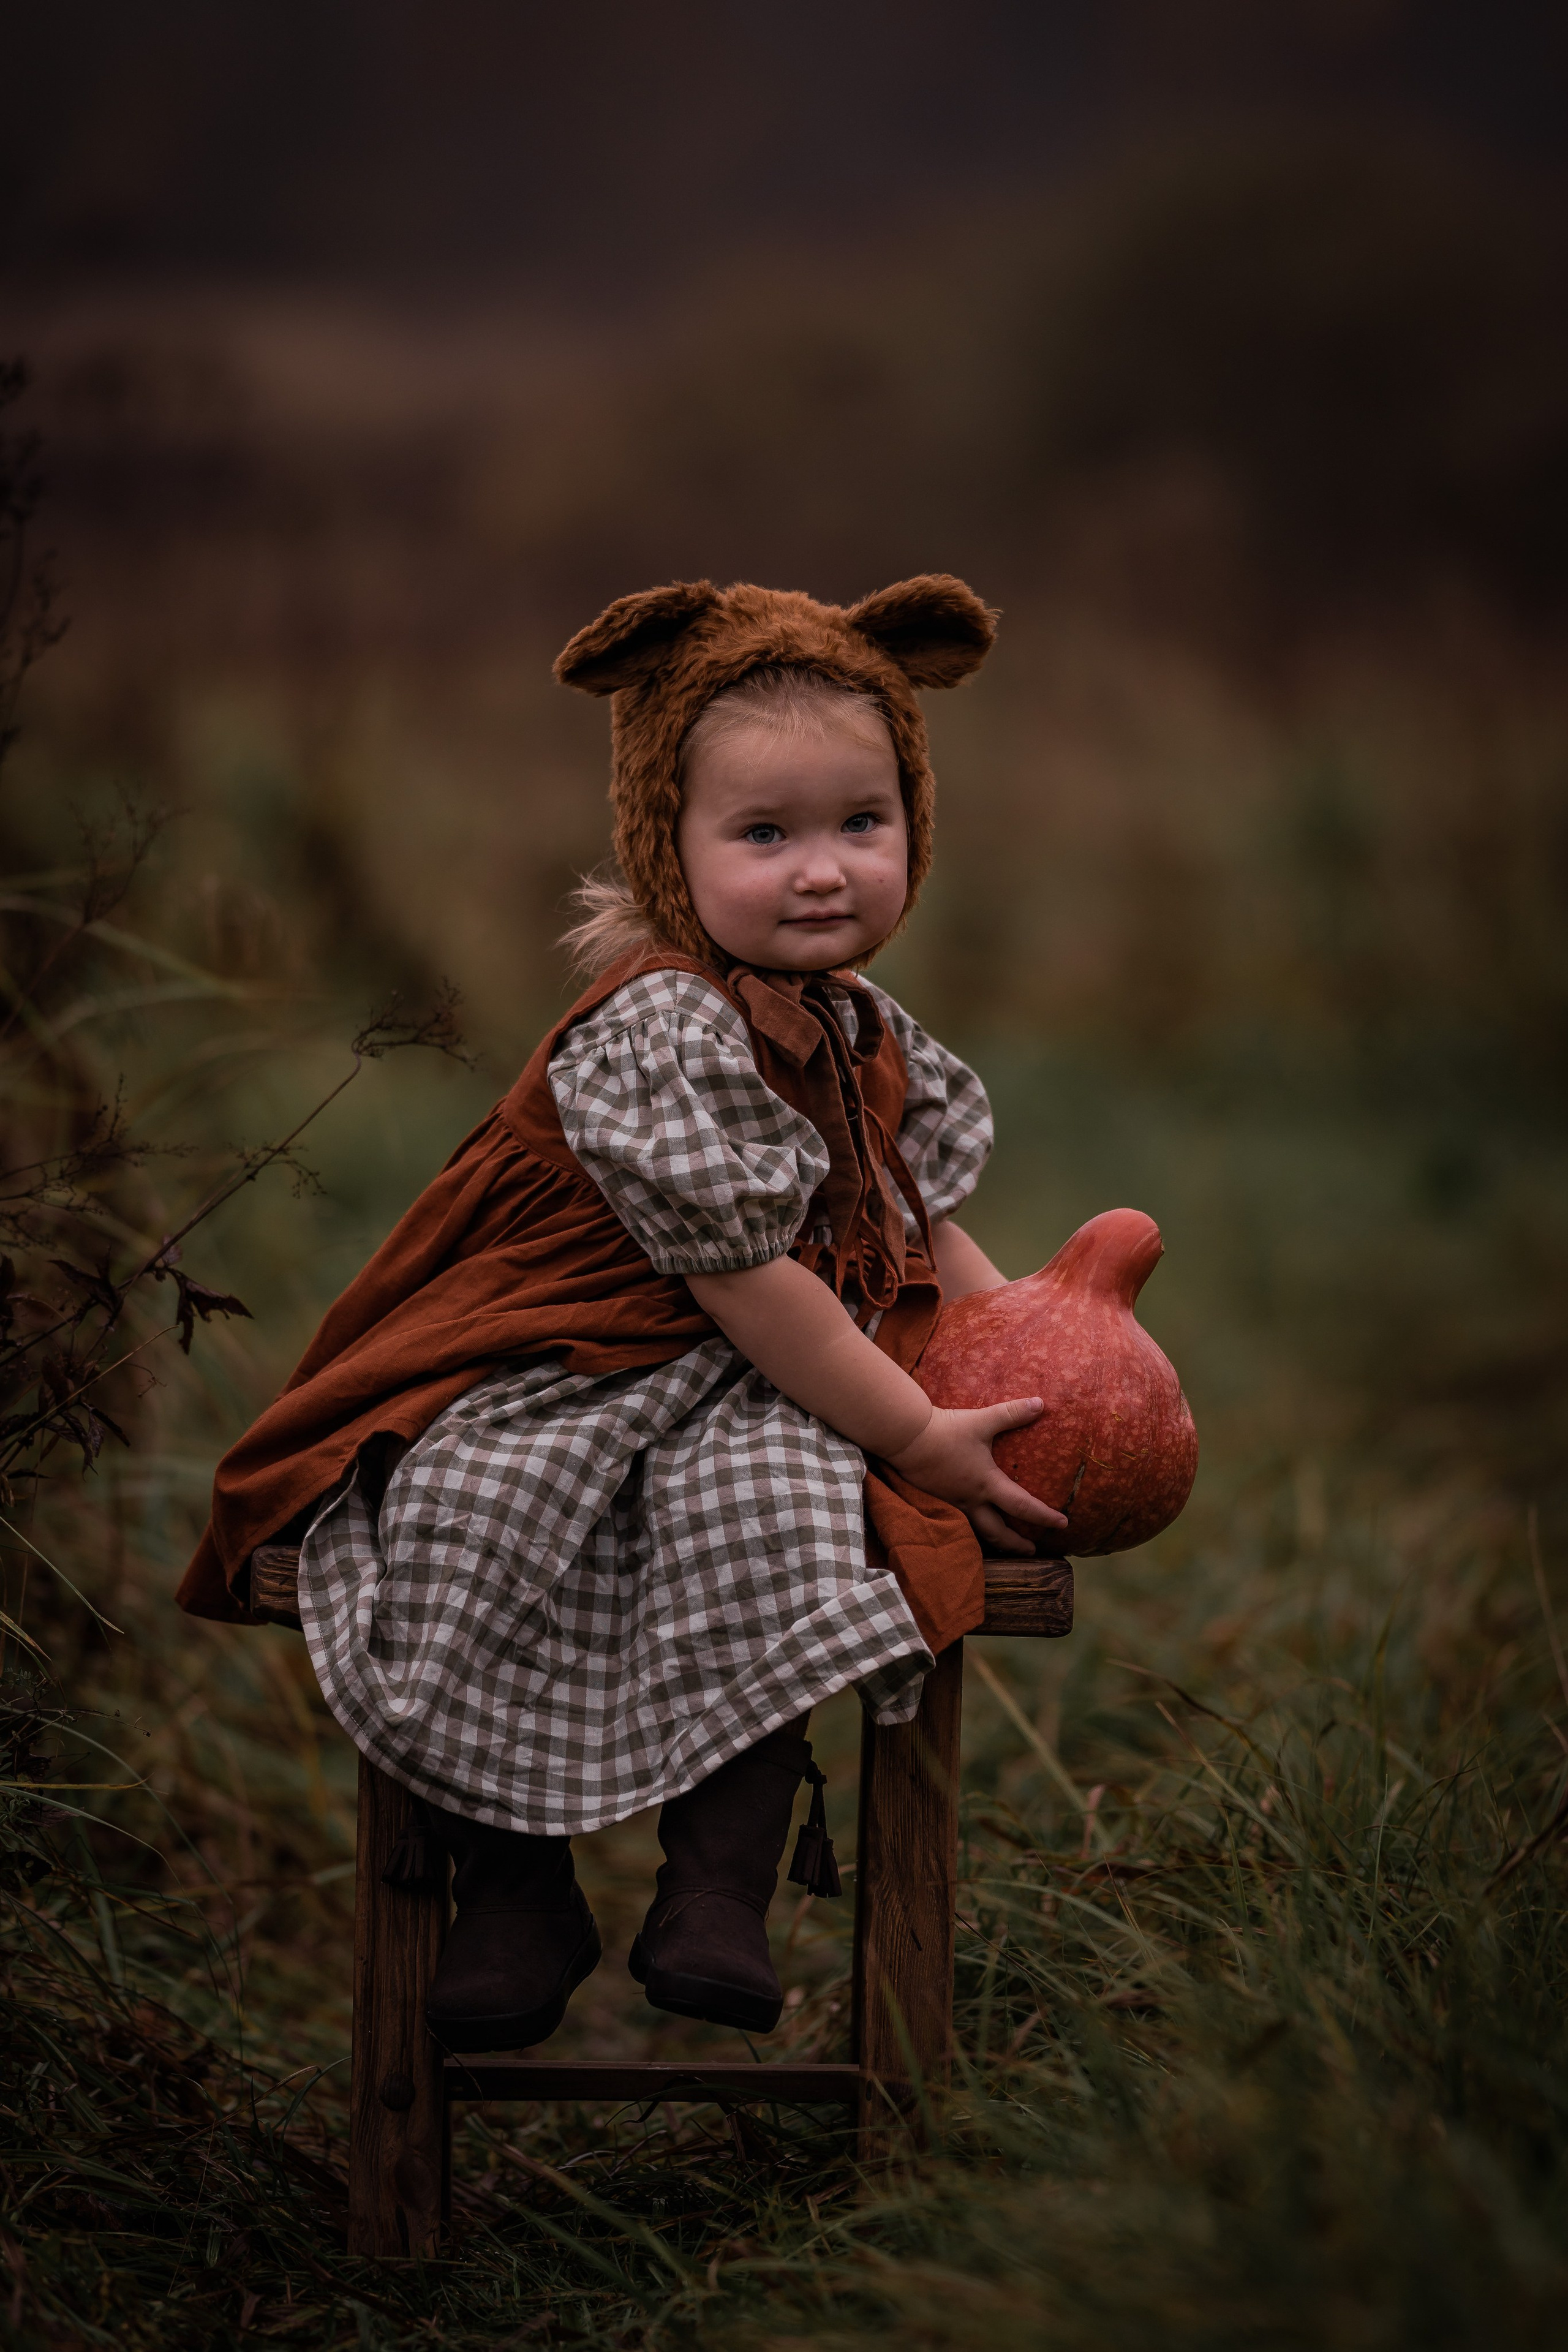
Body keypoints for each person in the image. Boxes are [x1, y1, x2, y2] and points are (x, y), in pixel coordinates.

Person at [178, 574, 1064, 2053]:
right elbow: (741, 1276)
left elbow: (910, 1223)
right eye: (762, 834)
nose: (822, 871)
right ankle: (510, 1892)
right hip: (568, 1346)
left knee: (781, 1504)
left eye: (863, 822)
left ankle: (713, 1889)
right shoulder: (663, 1023)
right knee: (469, 1508)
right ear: (669, 842)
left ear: (915, 822)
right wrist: (911, 1427)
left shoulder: (853, 1024)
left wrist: (1034, 1347)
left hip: (752, 1371)